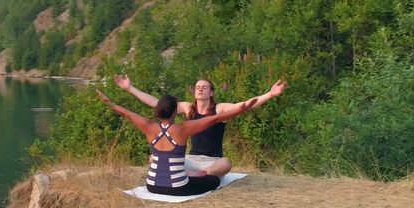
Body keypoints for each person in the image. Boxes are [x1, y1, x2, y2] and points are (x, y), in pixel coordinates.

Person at [114, 74, 287, 178]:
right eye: (197, 87)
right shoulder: (188, 108)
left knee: (226, 163)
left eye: (204, 87)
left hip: (212, 162)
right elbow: (156, 103)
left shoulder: (219, 109)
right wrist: (130, 88)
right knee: (153, 158)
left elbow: (246, 104)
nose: (200, 89)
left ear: (211, 92)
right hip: (190, 160)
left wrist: (270, 94)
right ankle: (190, 174)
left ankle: (201, 175)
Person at [96, 89, 257, 196]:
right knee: (214, 181)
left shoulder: (149, 126)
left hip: (152, 185)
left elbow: (127, 113)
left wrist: (109, 102)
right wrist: (242, 108)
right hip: (177, 187)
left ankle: (189, 174)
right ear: (175, 111)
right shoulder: (182, 129)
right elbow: (216, 118)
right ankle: (190, 175)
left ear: (158, 110)